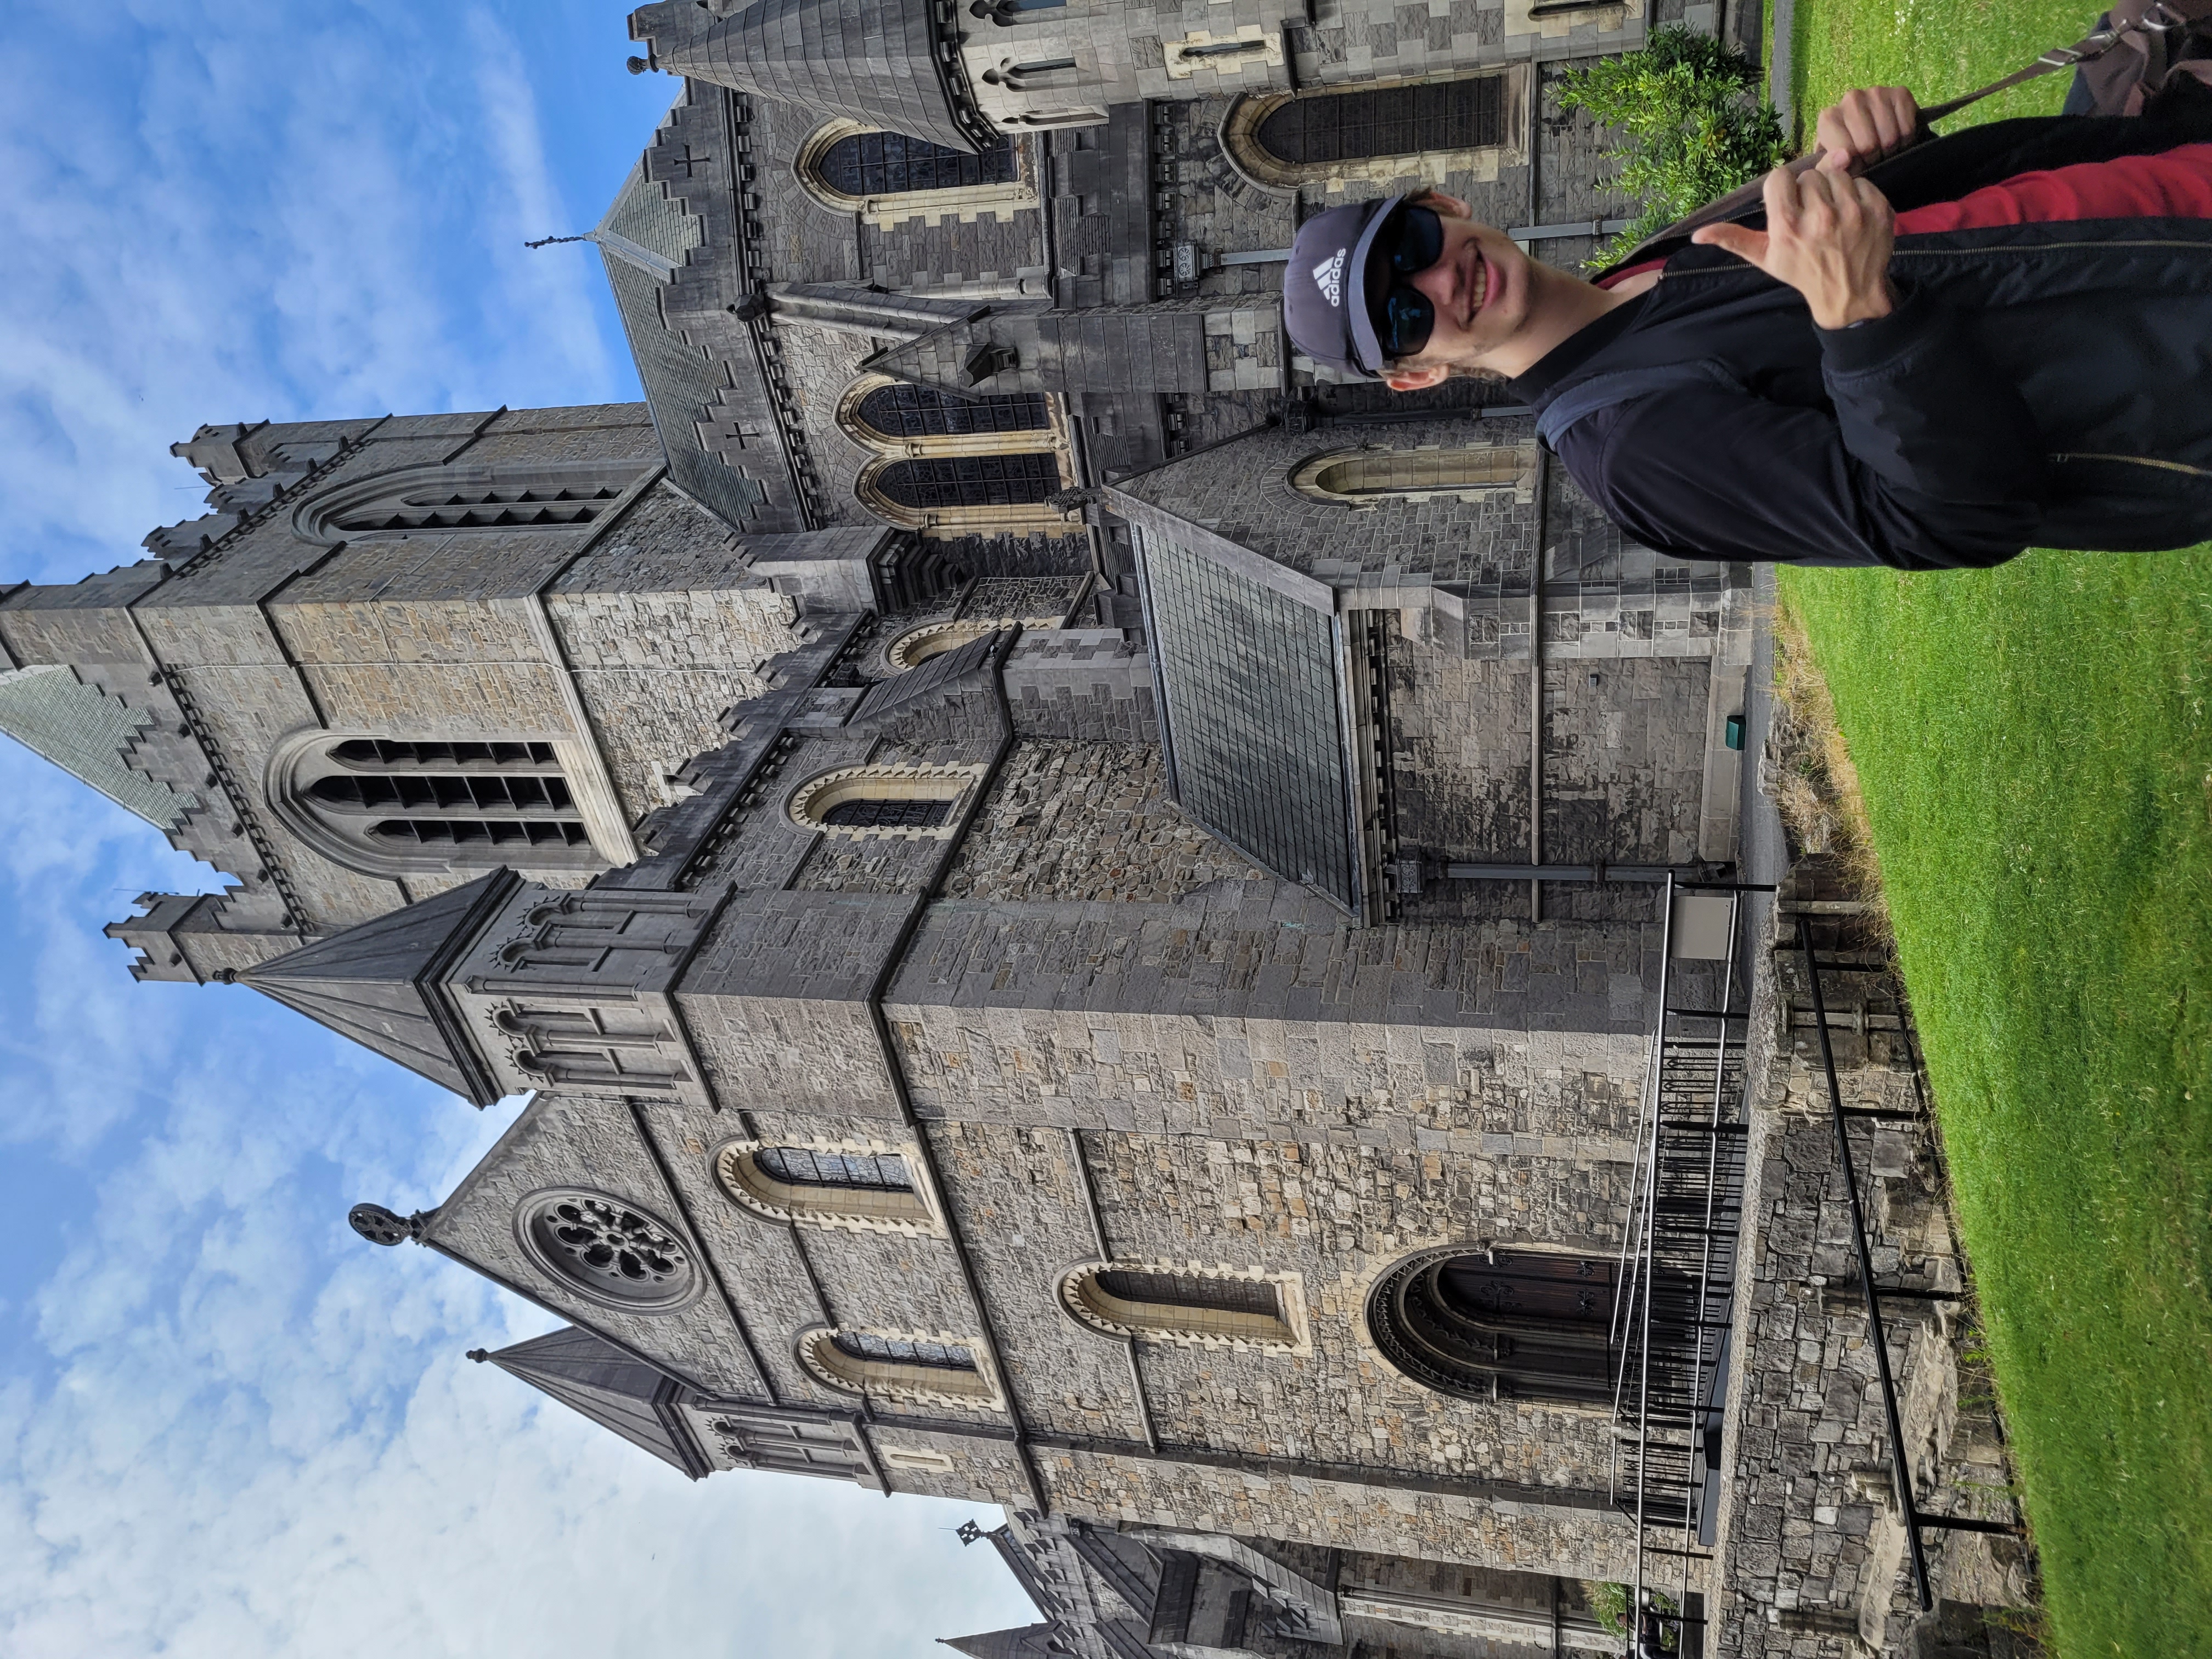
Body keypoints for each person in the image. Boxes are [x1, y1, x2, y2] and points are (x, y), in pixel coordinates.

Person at [1280, 84, 2212, 568]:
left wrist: (1878, 161)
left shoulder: (1640, 272)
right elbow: (1948, 523)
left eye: (1412, 241)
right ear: (1417, 376)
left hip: (2157, 202)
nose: (1442, 279)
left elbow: (1912, 255)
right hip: (2173, 356)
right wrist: (1860, 323)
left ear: (1443, 200)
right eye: (1405, 318)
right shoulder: (1634, 455)